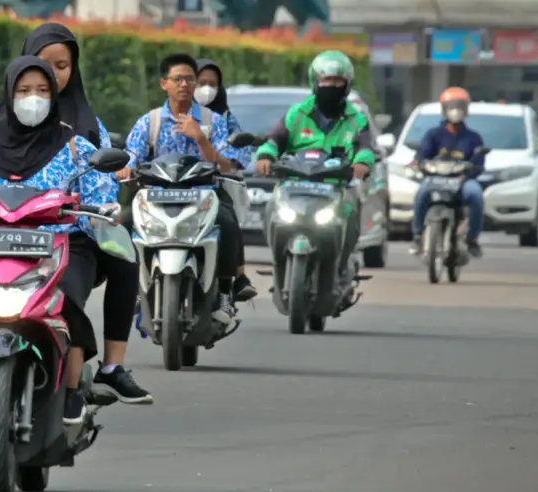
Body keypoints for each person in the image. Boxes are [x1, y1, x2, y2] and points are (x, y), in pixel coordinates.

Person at [0, 24, 152, 420]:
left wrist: (102, 210)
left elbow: (100, 188)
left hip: (57, 243)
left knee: (79, 289)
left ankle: (96, 375)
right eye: (23, 90)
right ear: (8, 92)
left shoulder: (77, 139)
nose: (35, 96)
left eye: (44, 88)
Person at [118, 53, 243, 324]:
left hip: (204, 192)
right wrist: (125, 168)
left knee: (228, 224)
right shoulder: (149, 122)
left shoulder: (213, 121)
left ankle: (224, 293)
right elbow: (132, 155)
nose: (184, 84)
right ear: (164, 84)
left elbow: (226, 165)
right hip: (155, 194)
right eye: (177, 79)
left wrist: (200, 138)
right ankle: (134, 288)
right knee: (124, 224)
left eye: (189, 79)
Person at [253, 50, 376, 295]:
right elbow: (274, 140)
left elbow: (365, 149)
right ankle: (278, 263)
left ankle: (341, 267)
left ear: (347, 84)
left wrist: (362, 164)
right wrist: (265, 156)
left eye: (337, 81)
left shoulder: (356, 120)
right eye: (326, 80)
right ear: (315, 82)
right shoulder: (296, 114)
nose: (331, 86)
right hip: (294, 184)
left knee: (351, 211)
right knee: (271, 209)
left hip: (335, 187)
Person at [195, 58, 257, 303]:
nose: (206, 89)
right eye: (201, 82)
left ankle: (229, 284)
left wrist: (217, 156)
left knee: (228, 222)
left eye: (213, 84)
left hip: (210, 186)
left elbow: (238, 157)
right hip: (168, 187)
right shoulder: (163, 117)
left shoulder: (222, 120)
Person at [410, 87, 485, 258]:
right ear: (444, 109)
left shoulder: (473, 137)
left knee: (475, 195)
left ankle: (472, 239)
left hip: (463, 180)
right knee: (421, 194)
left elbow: (479, 163)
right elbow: (422, 155)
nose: (455, 110)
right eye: (451, 106)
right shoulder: (433, 134)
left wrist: (470, 171)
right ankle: (417, 235)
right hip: (436, 178)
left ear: (466, 109)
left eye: (459, 106)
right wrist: (421, 164)